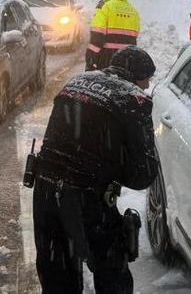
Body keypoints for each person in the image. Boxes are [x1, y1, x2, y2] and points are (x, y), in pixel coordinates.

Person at [31, 46, 159, 294]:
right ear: (137, 77)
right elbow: (142, 175)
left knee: (57, 272)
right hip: (87, 198)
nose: (146, 87)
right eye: (146, 80)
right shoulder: (133, 99)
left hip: (44, 189)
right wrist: (111, 165)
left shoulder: (76, 83)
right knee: (112, 270)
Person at [86, 0, 140, 71]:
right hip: (127, 60)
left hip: (107, 58)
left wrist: (90, 58)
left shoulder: (104, 7)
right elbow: (135, 36)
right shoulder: (134, 11)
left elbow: (97, 36)